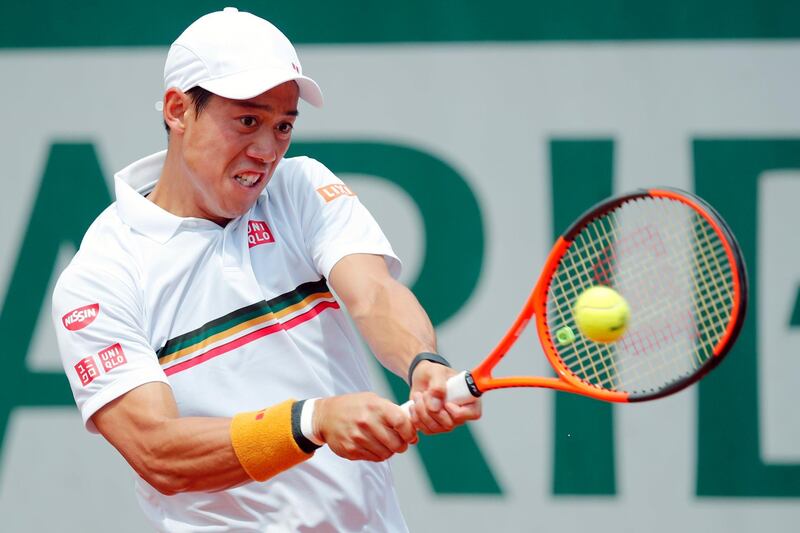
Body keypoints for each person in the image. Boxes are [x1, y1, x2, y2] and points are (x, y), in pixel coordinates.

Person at [51, 7, 480, 532]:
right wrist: (312, 421)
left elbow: (374, 294)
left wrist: (422, 363)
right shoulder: (100, 277)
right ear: (178, 110)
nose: (266, 150)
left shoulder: (300, 189)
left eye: (282, 127)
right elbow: (157, 451)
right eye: (247, 121)